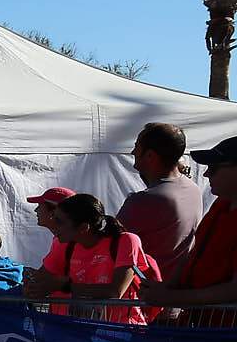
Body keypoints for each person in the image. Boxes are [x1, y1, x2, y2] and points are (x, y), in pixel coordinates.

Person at [143, 136, 237, 327]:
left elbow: (234, 290)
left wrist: (172, 297)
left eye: (215, 167)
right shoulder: (222, 205)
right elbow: (195, 252)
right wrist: (167, 287)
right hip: (202, 325)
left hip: (226, 337)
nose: (207, 174)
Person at [21, 193, 156, 324]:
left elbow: (115, 292)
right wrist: (33, 286)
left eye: (59, 221)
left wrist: (64, 285)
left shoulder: (126, 240)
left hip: (121, 329)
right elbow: (43, 280)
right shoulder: (63, 244)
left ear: (83, 228)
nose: (54, 225)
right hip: (83, 331)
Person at [117, 122, 204, 283]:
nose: (133, 152)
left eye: (137, 147)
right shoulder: (192, 188)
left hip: (147, 298)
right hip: (174, 294)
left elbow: (109, 243)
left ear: (150, 156)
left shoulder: (144, 200)